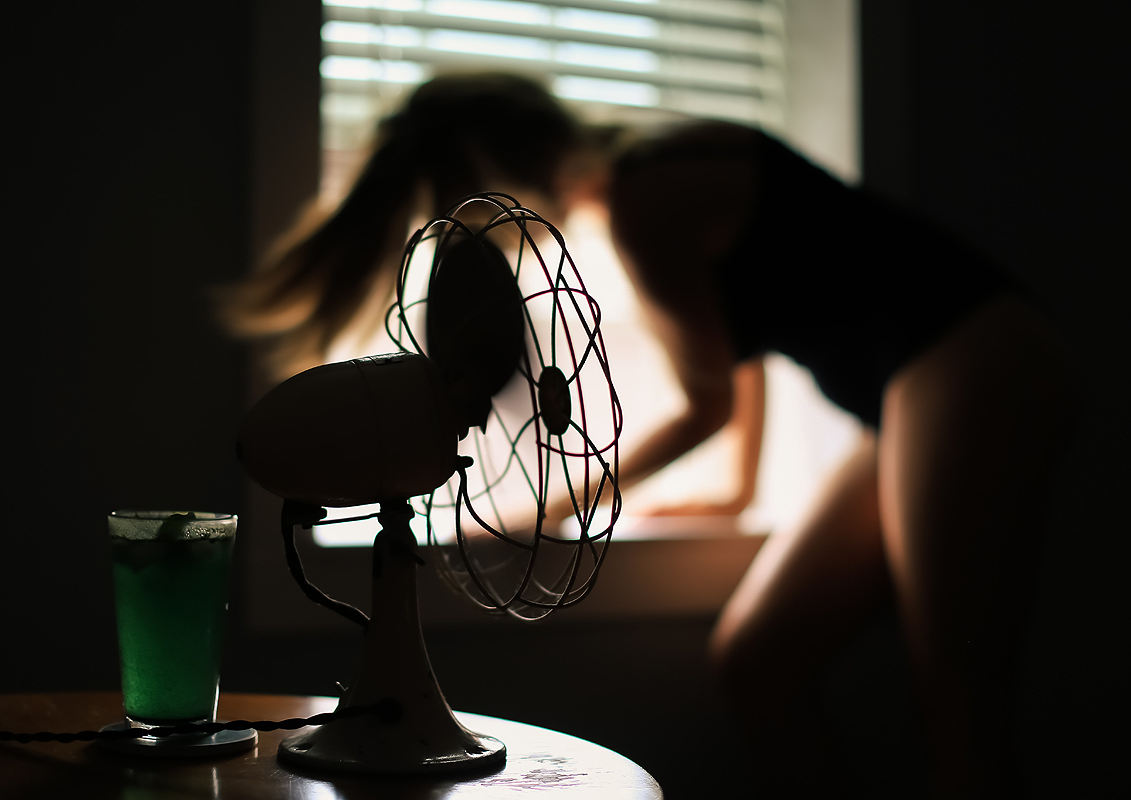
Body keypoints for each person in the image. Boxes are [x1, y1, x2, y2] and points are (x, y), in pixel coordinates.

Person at [218, 72, 1072, 797]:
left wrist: (539, 508)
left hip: (965, 352)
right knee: (758, 662)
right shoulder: (651, 175)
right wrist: (735, 488)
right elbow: (735, 342)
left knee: (961, 702)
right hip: (907, 387)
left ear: (491, 167)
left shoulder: (642, 197)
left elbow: (707, 403)